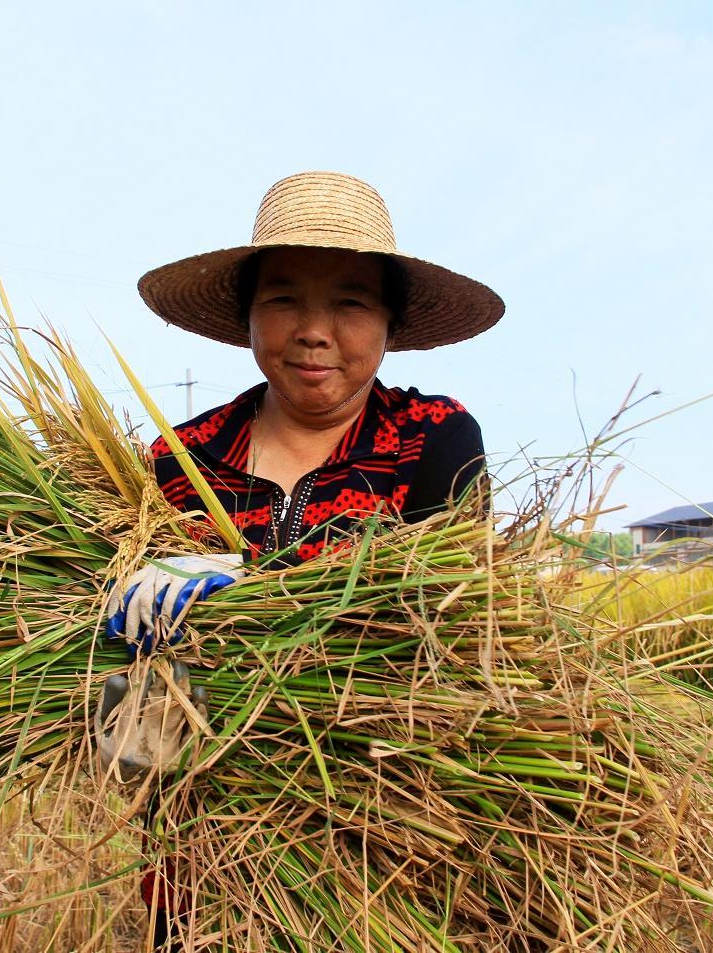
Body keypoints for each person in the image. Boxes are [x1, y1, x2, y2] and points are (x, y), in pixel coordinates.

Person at [99, 170, 505, 945]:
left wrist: (249, 592)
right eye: (283, 298)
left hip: (382, 833)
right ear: (248, 318)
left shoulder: (432, 437)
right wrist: (120, 633)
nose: (315, 330)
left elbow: (444, 622)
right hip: (198, 839)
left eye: (350, 302)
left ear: (390, 321)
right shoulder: (178, 459)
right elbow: (122, 665)